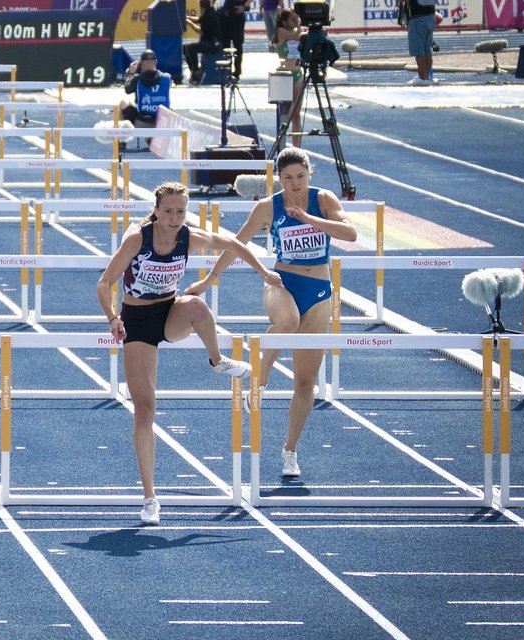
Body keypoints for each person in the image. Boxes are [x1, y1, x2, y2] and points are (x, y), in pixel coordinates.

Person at [97, 182, 281, 526]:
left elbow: (233, 243)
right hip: (136, 322)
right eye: (168, 211)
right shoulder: (138, 238)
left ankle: (217, 361)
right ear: (156, 210)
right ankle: (150, 497)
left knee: (196, 305)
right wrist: (112, 318)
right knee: (145, 411)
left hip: (170, 314)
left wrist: (264, 272)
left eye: (181, 211)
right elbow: (104, 283)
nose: (174, 217)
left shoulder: (188, 237)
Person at [199, 147, 357, 478]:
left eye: (300, 177)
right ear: (278, 179)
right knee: (287, 321)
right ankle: (259, 380)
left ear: (309, 175)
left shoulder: (323, 199)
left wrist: (311, 219)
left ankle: (290, 451)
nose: (295, 184)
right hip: (282, 283)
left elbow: (351, 234)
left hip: (318, 292)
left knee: (304, 382)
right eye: (288, 178)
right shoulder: (267, 207)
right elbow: (236, 243)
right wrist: (211, 278)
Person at [273, 8, 306, 147]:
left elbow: (301, 37)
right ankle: (281, 146)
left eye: (296, 18)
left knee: (296, 114)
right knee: (284, 115)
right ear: (285, 21)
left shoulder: (297, 31)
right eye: (292, 19)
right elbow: (296, 36)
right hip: (284, 76)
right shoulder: (281, 32)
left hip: (297, 74)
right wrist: (299, 24)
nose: (295, 21)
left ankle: (296, 147)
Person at [118, 49, 172, 128]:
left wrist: (131, 73)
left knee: (123, 102)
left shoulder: (137, 79)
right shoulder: (167, 77)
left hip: (141, 121)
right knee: (170, 109)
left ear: (142, 64)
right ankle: (151, 138)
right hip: (161, 122)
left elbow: (127, 90)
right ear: (156, 62)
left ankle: (122, 138)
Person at [183, 0, 222, 85]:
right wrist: (186, 17)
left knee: (188, 48)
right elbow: (199, 20)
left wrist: (189, 23)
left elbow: (201, 31)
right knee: (188, 47)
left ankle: (195, 71)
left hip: (212, 44)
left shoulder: (210, 15)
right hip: (210, 42)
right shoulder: (208, 12)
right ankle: (195, 70)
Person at [404, 0, 438, 85]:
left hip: (417, 18)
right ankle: (427, 77)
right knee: (427, 49)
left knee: (419, 49)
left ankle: (421, 77)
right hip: (430, 17)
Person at [221, 0, 251, 79]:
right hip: (225, 15)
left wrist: (244, 6)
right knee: (224, 45)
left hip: (237, 14)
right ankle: (226, 70)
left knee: (238, 46)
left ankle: (237, 72)